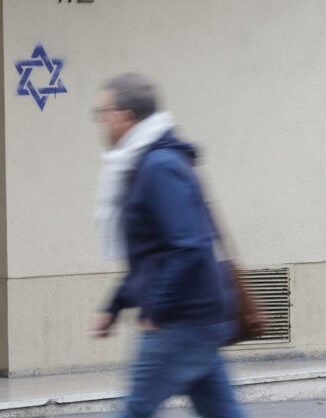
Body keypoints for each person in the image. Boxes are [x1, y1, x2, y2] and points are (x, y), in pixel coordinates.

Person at [88, 72, 244, 418]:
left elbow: (188, 245)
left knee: (135, 411)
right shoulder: (150, 162)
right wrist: (114, 306)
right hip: (195, 316)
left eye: (103, 112)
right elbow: (152, 254)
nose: (101, 121)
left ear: (125, 116)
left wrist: (155, 309)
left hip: (179, 320)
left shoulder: (158, 167)